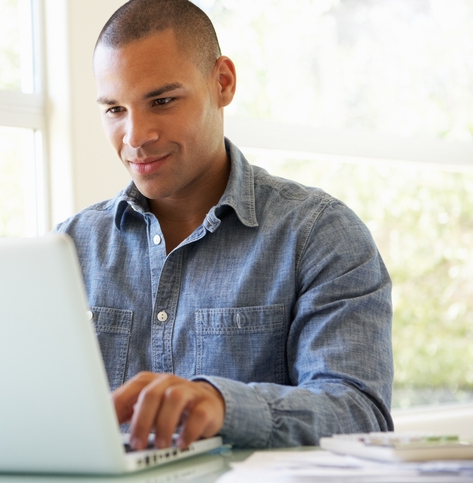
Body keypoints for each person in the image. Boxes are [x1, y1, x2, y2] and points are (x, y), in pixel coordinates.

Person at [55, 0, 394, 450]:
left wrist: (224, 404)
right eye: (115, 109)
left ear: (222, 82)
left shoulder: (319, 235)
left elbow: (359, 412)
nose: (135, 137)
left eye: (162, 101)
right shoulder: (68, 248)